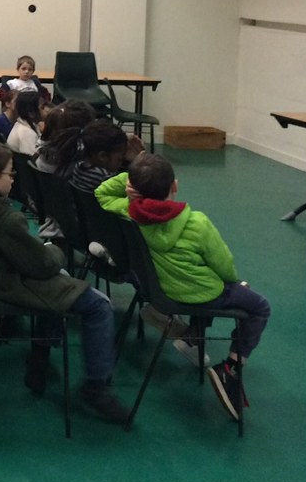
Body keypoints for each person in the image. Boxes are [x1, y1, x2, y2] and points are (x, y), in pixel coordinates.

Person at [0, 139, 129, 423]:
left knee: (63, 284)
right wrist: (57, 249)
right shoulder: (5, 219)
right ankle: (96, 387)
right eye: (10, 173)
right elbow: (42, 266)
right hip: (10, 286)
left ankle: (40, 360)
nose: (13, 179)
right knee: (99, 306)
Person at [97, 153, 271, 421]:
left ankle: (192, 337)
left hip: (158, 291)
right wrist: (235, 283)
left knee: (208, 285)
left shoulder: (129, 213)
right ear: (174, 186)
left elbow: (102, 193)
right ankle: (231, 368)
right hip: (197, 294)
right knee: (259, 306)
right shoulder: (196, 222)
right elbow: (224, 265)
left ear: (134, 189)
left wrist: (127, 182)